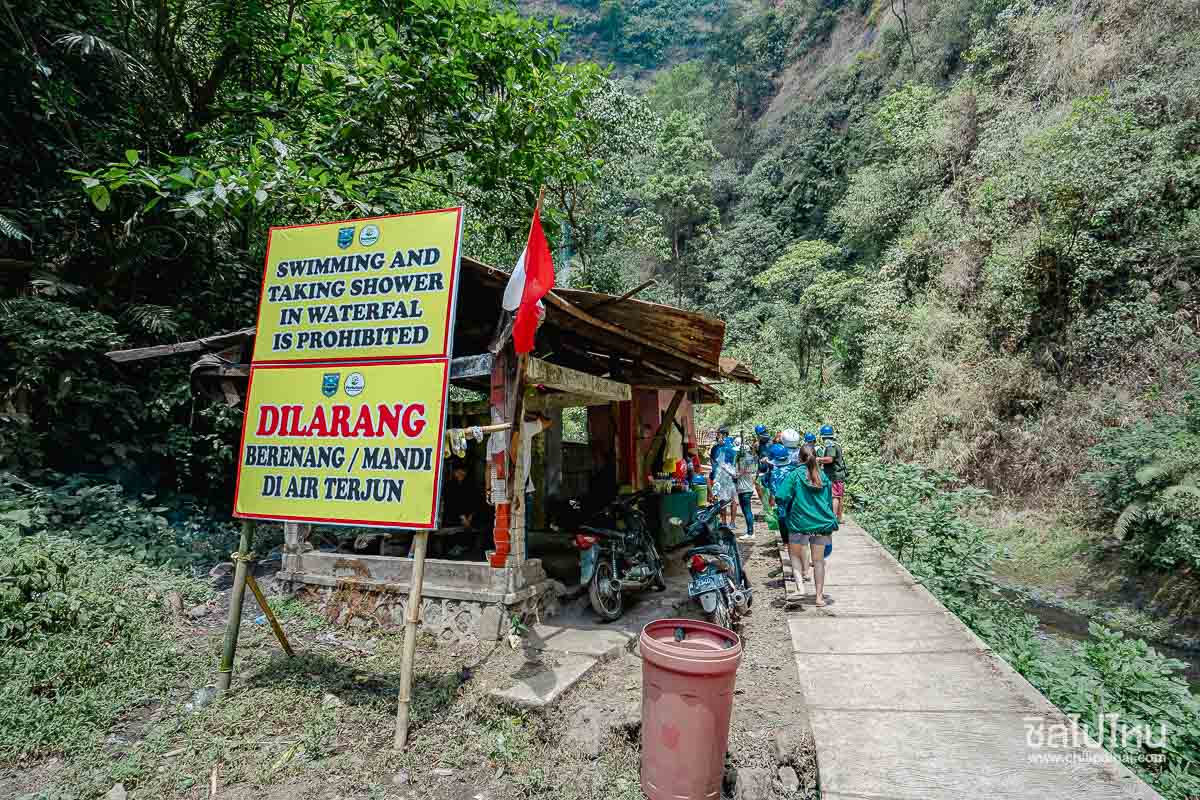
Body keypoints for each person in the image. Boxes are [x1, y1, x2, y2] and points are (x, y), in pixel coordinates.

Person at [774, 444, 839, 608]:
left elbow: (781, 496)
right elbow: (828, 502)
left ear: (799, 458)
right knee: (818, 562)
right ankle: (819, 598)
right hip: (821, 523)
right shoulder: (823, 476)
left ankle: (800, 588)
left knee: (795, 556)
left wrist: (787, 504)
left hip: (799, 522)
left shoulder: (795, 475)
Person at [769, 429, 808, 580]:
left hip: (785, 509)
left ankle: (797, 572)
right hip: (799, 508)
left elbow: (775, 493)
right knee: (803, 540)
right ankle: (805, 569)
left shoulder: (776, 472)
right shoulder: (796, 467)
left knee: (792, 541)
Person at [520, 412, 553, 533]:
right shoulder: (524, 427)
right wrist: (535, 414)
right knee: (522, 530)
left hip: (505, 489)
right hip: (523, 488)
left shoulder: (497, 434)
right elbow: (548, 422)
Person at [818, 424, 849, 524]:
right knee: (839, 496)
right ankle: (839, 518)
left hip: (834, 475)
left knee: (834, 496)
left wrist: (818, 459)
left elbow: (830, 459)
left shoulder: (830, 445)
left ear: (823, 436)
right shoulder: (835, 444)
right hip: (838, 475)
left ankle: (833, 518)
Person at [711, 435, 737, 524]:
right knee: (733, 500)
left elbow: (717, 462)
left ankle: (724, 522)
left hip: (722, 476)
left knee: (723, 500)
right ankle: (732, 522)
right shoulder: (734, 451)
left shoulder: (721, 449)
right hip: (732, 477)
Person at [735, 443, 758, 539]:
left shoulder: (744, 460)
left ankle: (750, 532)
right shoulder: (749, 459)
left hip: (745, 489)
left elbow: (738, 474)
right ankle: (750, 531)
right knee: (746, 511)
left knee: (747, 511)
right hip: (745, 488)